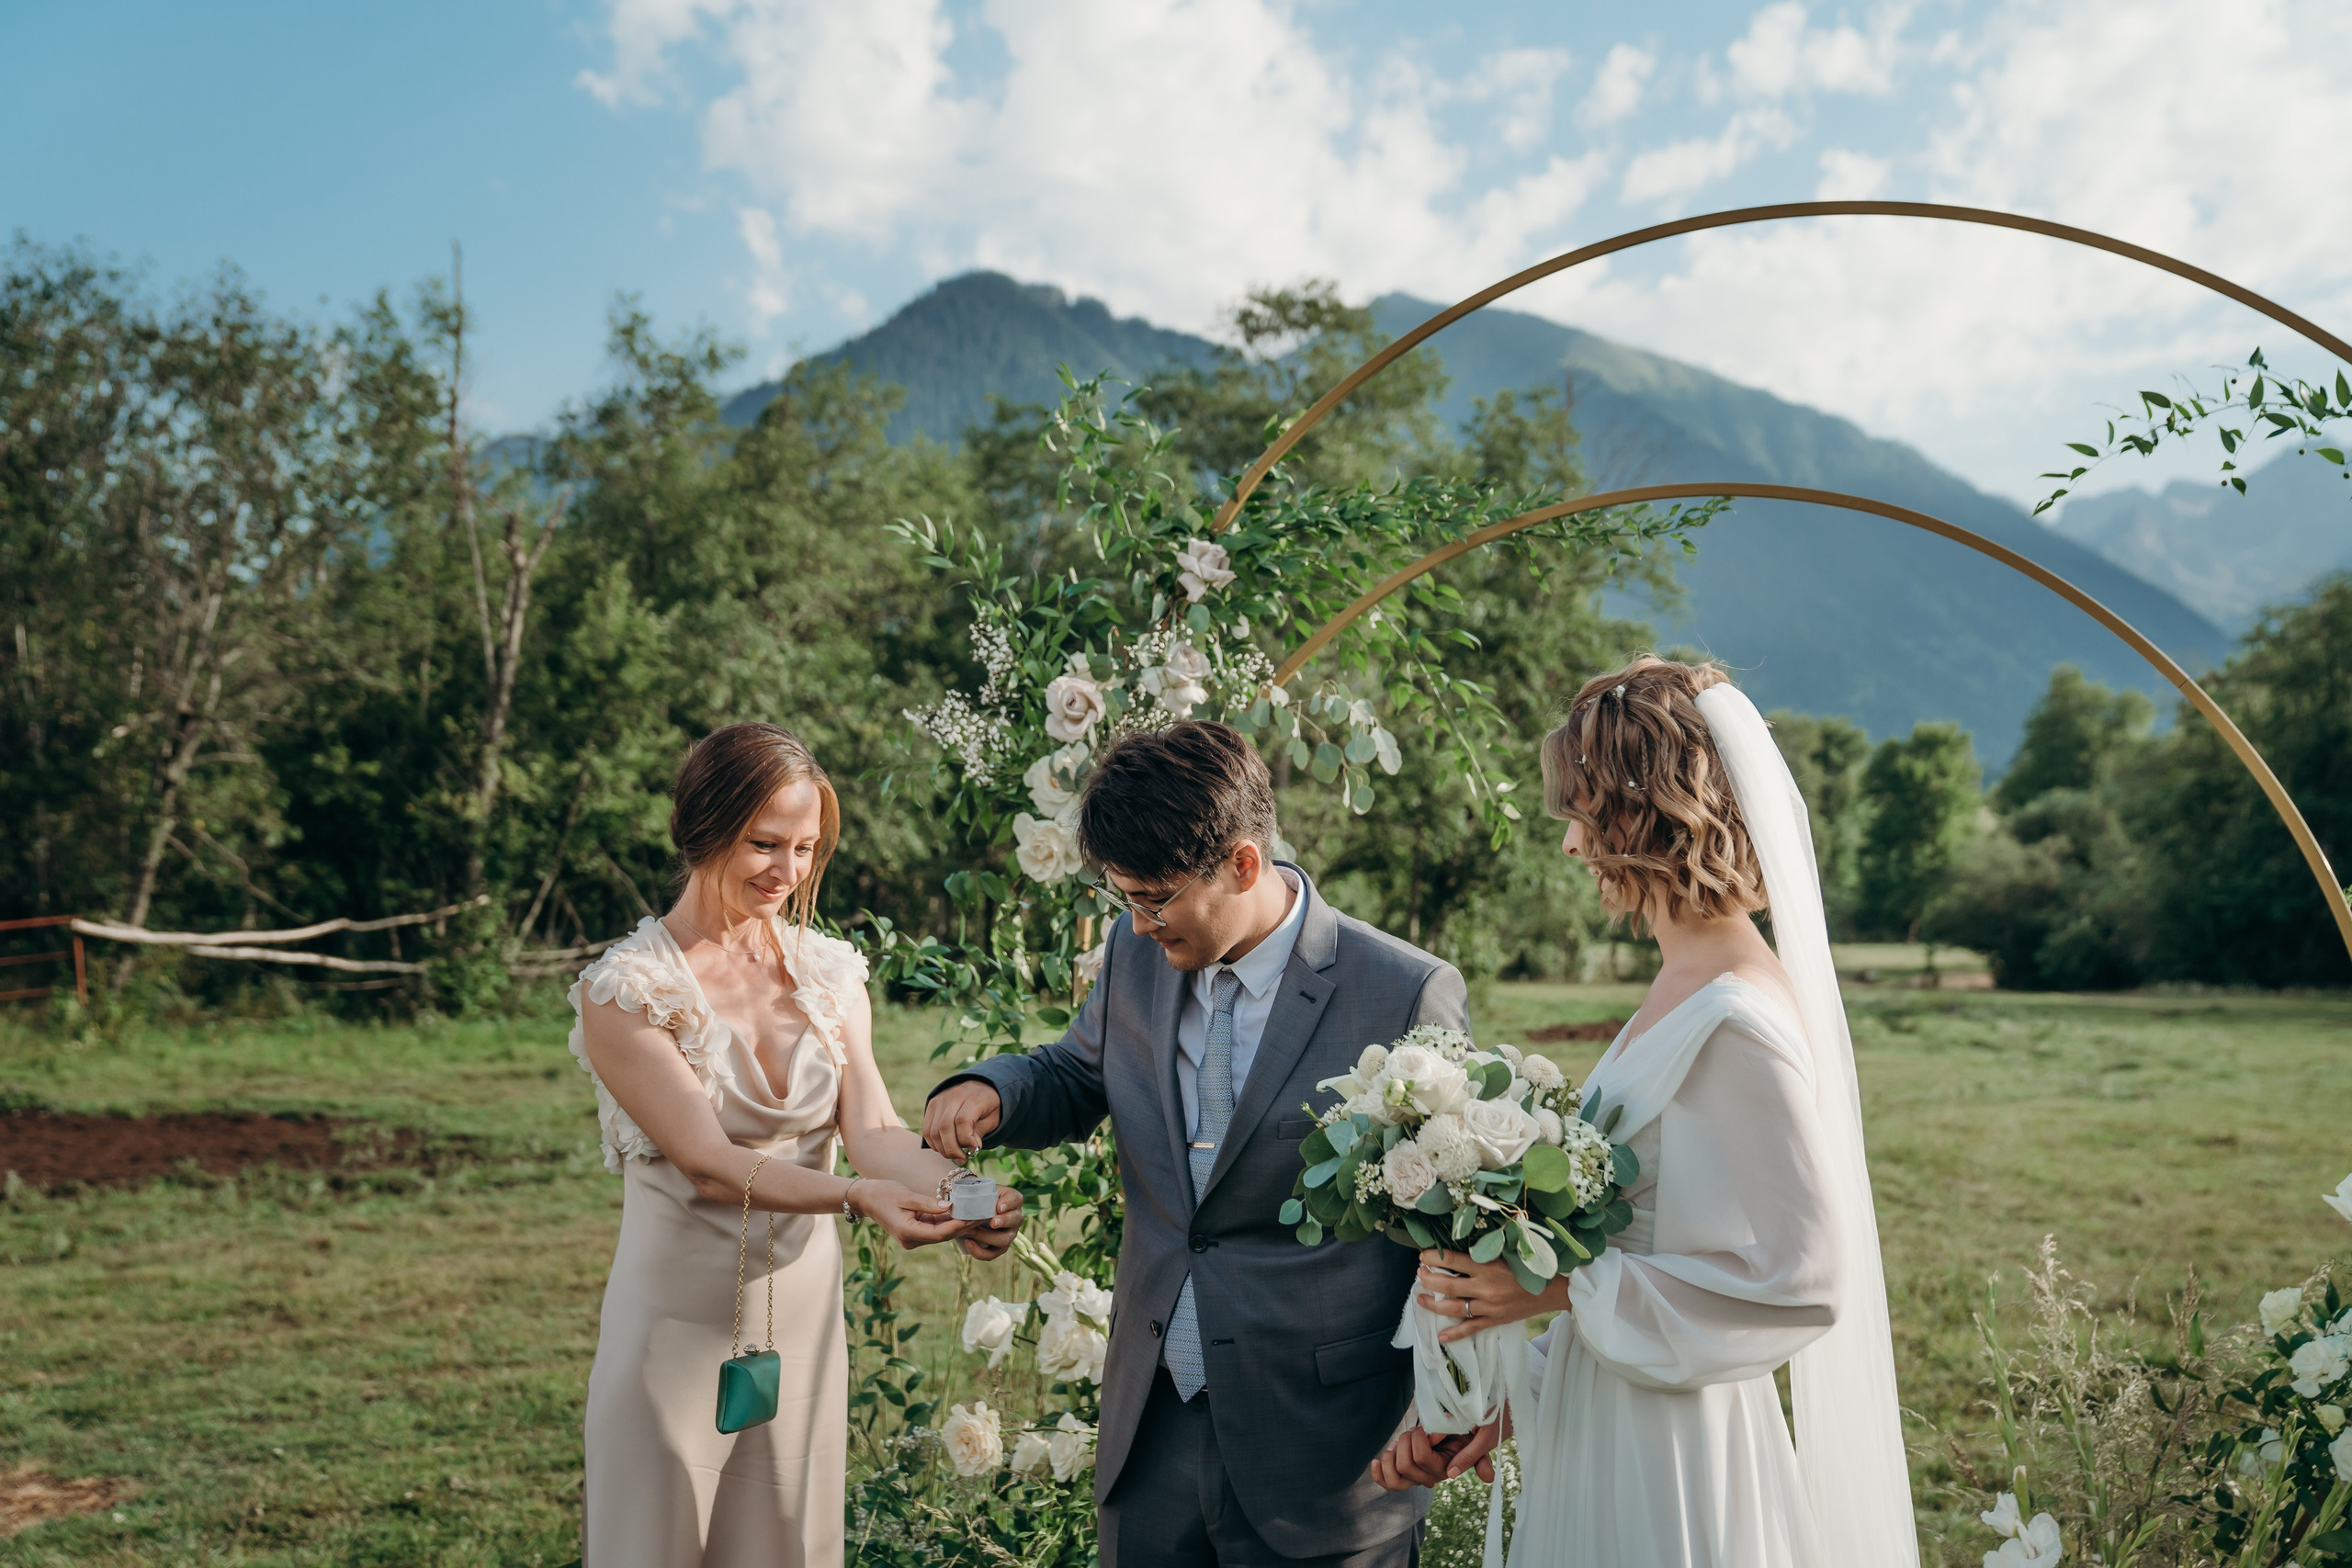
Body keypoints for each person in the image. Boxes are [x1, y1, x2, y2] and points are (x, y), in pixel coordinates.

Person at [1373, 658, 1917, 1568]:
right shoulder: (1678, 985)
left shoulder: (1737, 1015)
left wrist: (1552, 1289)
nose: (1571, 846)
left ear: (1645, 818)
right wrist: (1513, 1401)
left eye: (1584, 815)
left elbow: (1807, 1278)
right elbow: (1638, 1242)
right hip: (1611, 1412)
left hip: (1675, 1452)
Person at [922, 720, 1468, 1568]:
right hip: (1152, 1433)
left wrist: (1451, 1405)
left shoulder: (1402, 991)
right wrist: (991, 1088)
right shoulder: (1134, 954)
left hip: (1325, 1451)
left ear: (1243, 864)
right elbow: (1078, 1070)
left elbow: (1452, 1224)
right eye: (1124, 899)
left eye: (1155, 898)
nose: (1138, 924)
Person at [569, 722, 1023, 1568]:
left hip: (801, 1321)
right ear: (703, 831)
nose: (790, 871)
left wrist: (965, 1194)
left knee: (787, 1549)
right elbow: (708, 1162)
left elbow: (875, 1131)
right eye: (764, 843)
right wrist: (856, 1197)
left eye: (807, 847)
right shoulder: (626, 991)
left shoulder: (828, 973)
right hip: (673, 1324)